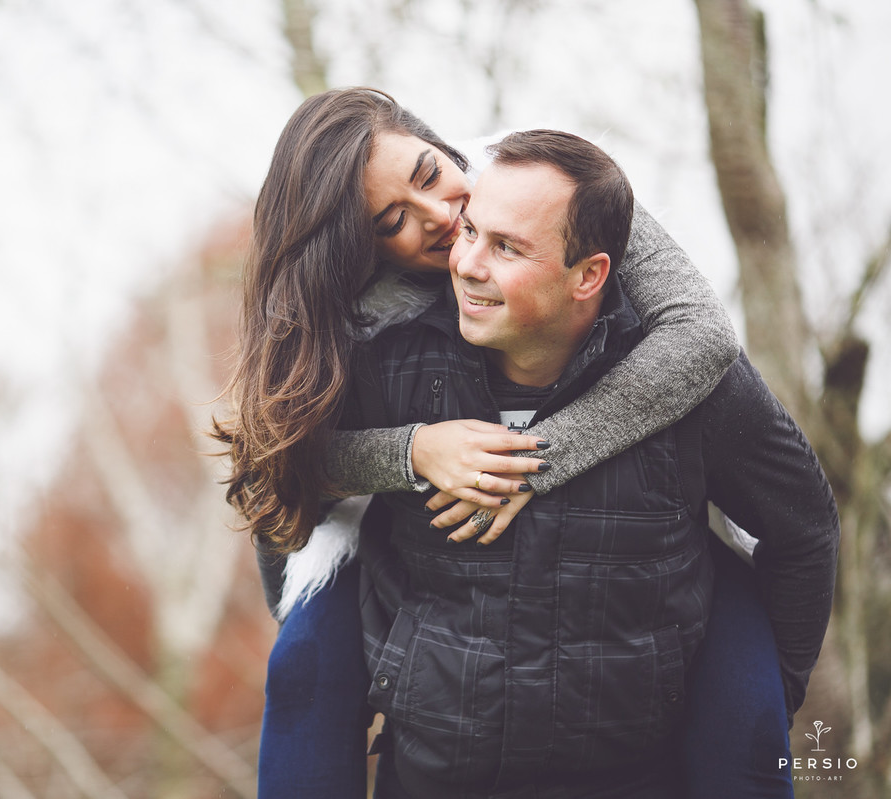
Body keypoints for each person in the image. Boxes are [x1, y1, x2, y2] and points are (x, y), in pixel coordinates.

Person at [211, 88, 771, 797]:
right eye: (394, 222)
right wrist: (412, 452)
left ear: (440, 143)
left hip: (646, 529)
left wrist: (540, 459)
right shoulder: (353, 310)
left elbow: (703, 333)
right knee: (301, 673)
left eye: (427, 175)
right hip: (383, 554)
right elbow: (277, 462)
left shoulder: (540, 190)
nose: (443, 217)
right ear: (362, 252)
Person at [342, 129, 838, 797]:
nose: (464, 259)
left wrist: (767, 695)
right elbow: (280, 473)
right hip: (431, 776)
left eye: (507, 248)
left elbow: (803, 529)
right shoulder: (391, 362)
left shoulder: (693, 383)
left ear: (591, 275)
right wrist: (406, 451)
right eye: (471, 235)